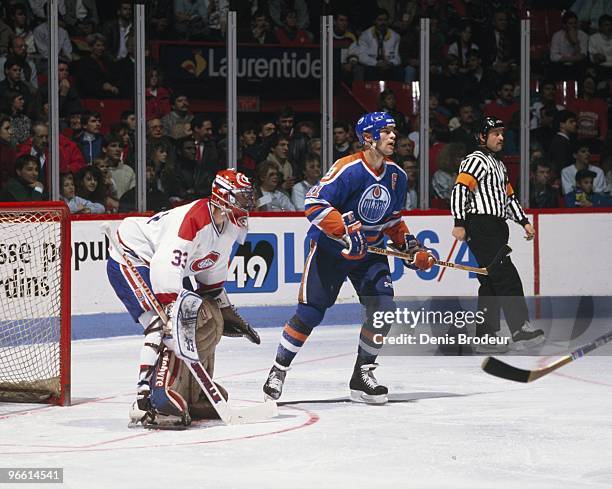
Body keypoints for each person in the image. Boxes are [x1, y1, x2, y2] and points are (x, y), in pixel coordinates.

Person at [262, 112, 435, 404]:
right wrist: (343, 231)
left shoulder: (397, 176)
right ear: (368, 138)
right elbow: (314, 203)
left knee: (383, 307)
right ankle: (278, 369)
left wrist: (412, 247)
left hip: (369, 253)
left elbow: (393, 221)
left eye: (394, 131)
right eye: (386, 132)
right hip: (331, 250)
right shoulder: (348, 169)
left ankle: (362, 374)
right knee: (310, 313)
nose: (394, 136)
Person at [106, 169, 260, 427]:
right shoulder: (193, 220)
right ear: (224, 197)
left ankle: (193, 392)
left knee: (210, 319)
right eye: (241, 198)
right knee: (163, 325)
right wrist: (173, 308)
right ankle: (149, 399)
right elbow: (165, 266)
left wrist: (225, 310)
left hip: (154, 262)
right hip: (132, 255)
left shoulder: (228, 228)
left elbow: (210, 279)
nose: (248, 204)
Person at [450, 117, 545, 352]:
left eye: (502, 133)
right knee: (506, 275)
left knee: (490, 281)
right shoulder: (475, 160)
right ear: (481, 137)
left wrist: (523, 221)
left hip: (496, 226)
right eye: (495, 133)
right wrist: (460, 222)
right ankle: (520, 330)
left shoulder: (500, 166)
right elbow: (460, 190)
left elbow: (509, 198)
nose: (501, 137)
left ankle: (486, 335)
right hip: (481, 225)